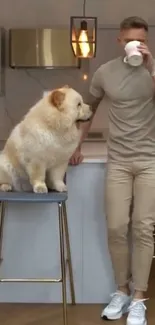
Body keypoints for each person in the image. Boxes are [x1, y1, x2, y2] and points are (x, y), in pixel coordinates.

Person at [70, 16, 155, 325]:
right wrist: (75, 146)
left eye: (142, 40)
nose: (137, 45)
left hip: (150, 161)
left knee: (144, 228)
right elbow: (87, 111)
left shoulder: (152, 68)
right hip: (118, 160)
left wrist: (150, 68)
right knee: (117, 227)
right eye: (132, 39)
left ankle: (139, 298)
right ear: (120, 40)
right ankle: (121, 290)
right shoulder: (105, 72)